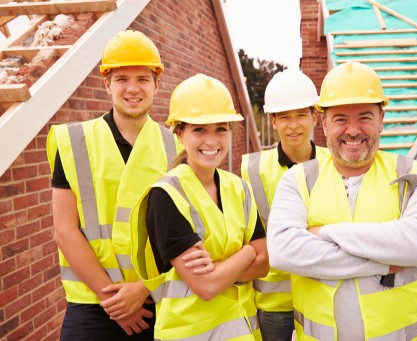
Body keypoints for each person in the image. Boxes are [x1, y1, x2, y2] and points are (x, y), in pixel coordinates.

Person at [267, 61, 417, 341]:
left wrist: (324, 233)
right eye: (340, 119)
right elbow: (282, 251)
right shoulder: (298, 179)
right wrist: (385, 261)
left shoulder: (412, 175)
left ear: (381, 119)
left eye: (364, 117)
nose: (352, 130)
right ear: (323, 122)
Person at [46, 30, 181, 340]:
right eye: (122, 79)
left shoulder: (175, 147)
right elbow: (64, 230)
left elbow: (186, 230)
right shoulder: (73, 142)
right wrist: (114, 301)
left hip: (157, 297)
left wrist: (143, 288)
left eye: (142, 79)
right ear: (106, 83)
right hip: (93, 302)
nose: (132, 89)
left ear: (157, 83)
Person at [130, 73, 270, 340]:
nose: (211, 141)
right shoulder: (166, 196)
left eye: (221, 129)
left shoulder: (239, 188)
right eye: (199, 129)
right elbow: (206, 286)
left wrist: (221, 267)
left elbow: (264, 264)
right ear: (180, 133)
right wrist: (248, 251)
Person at [240, 69, 329, 341]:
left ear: (315, 116)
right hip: (273, 305)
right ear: (273, 121)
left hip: (321, 293)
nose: (294, 125)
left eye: (301, 115)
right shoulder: (252, 170)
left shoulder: (333, 165)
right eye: (284, 117)